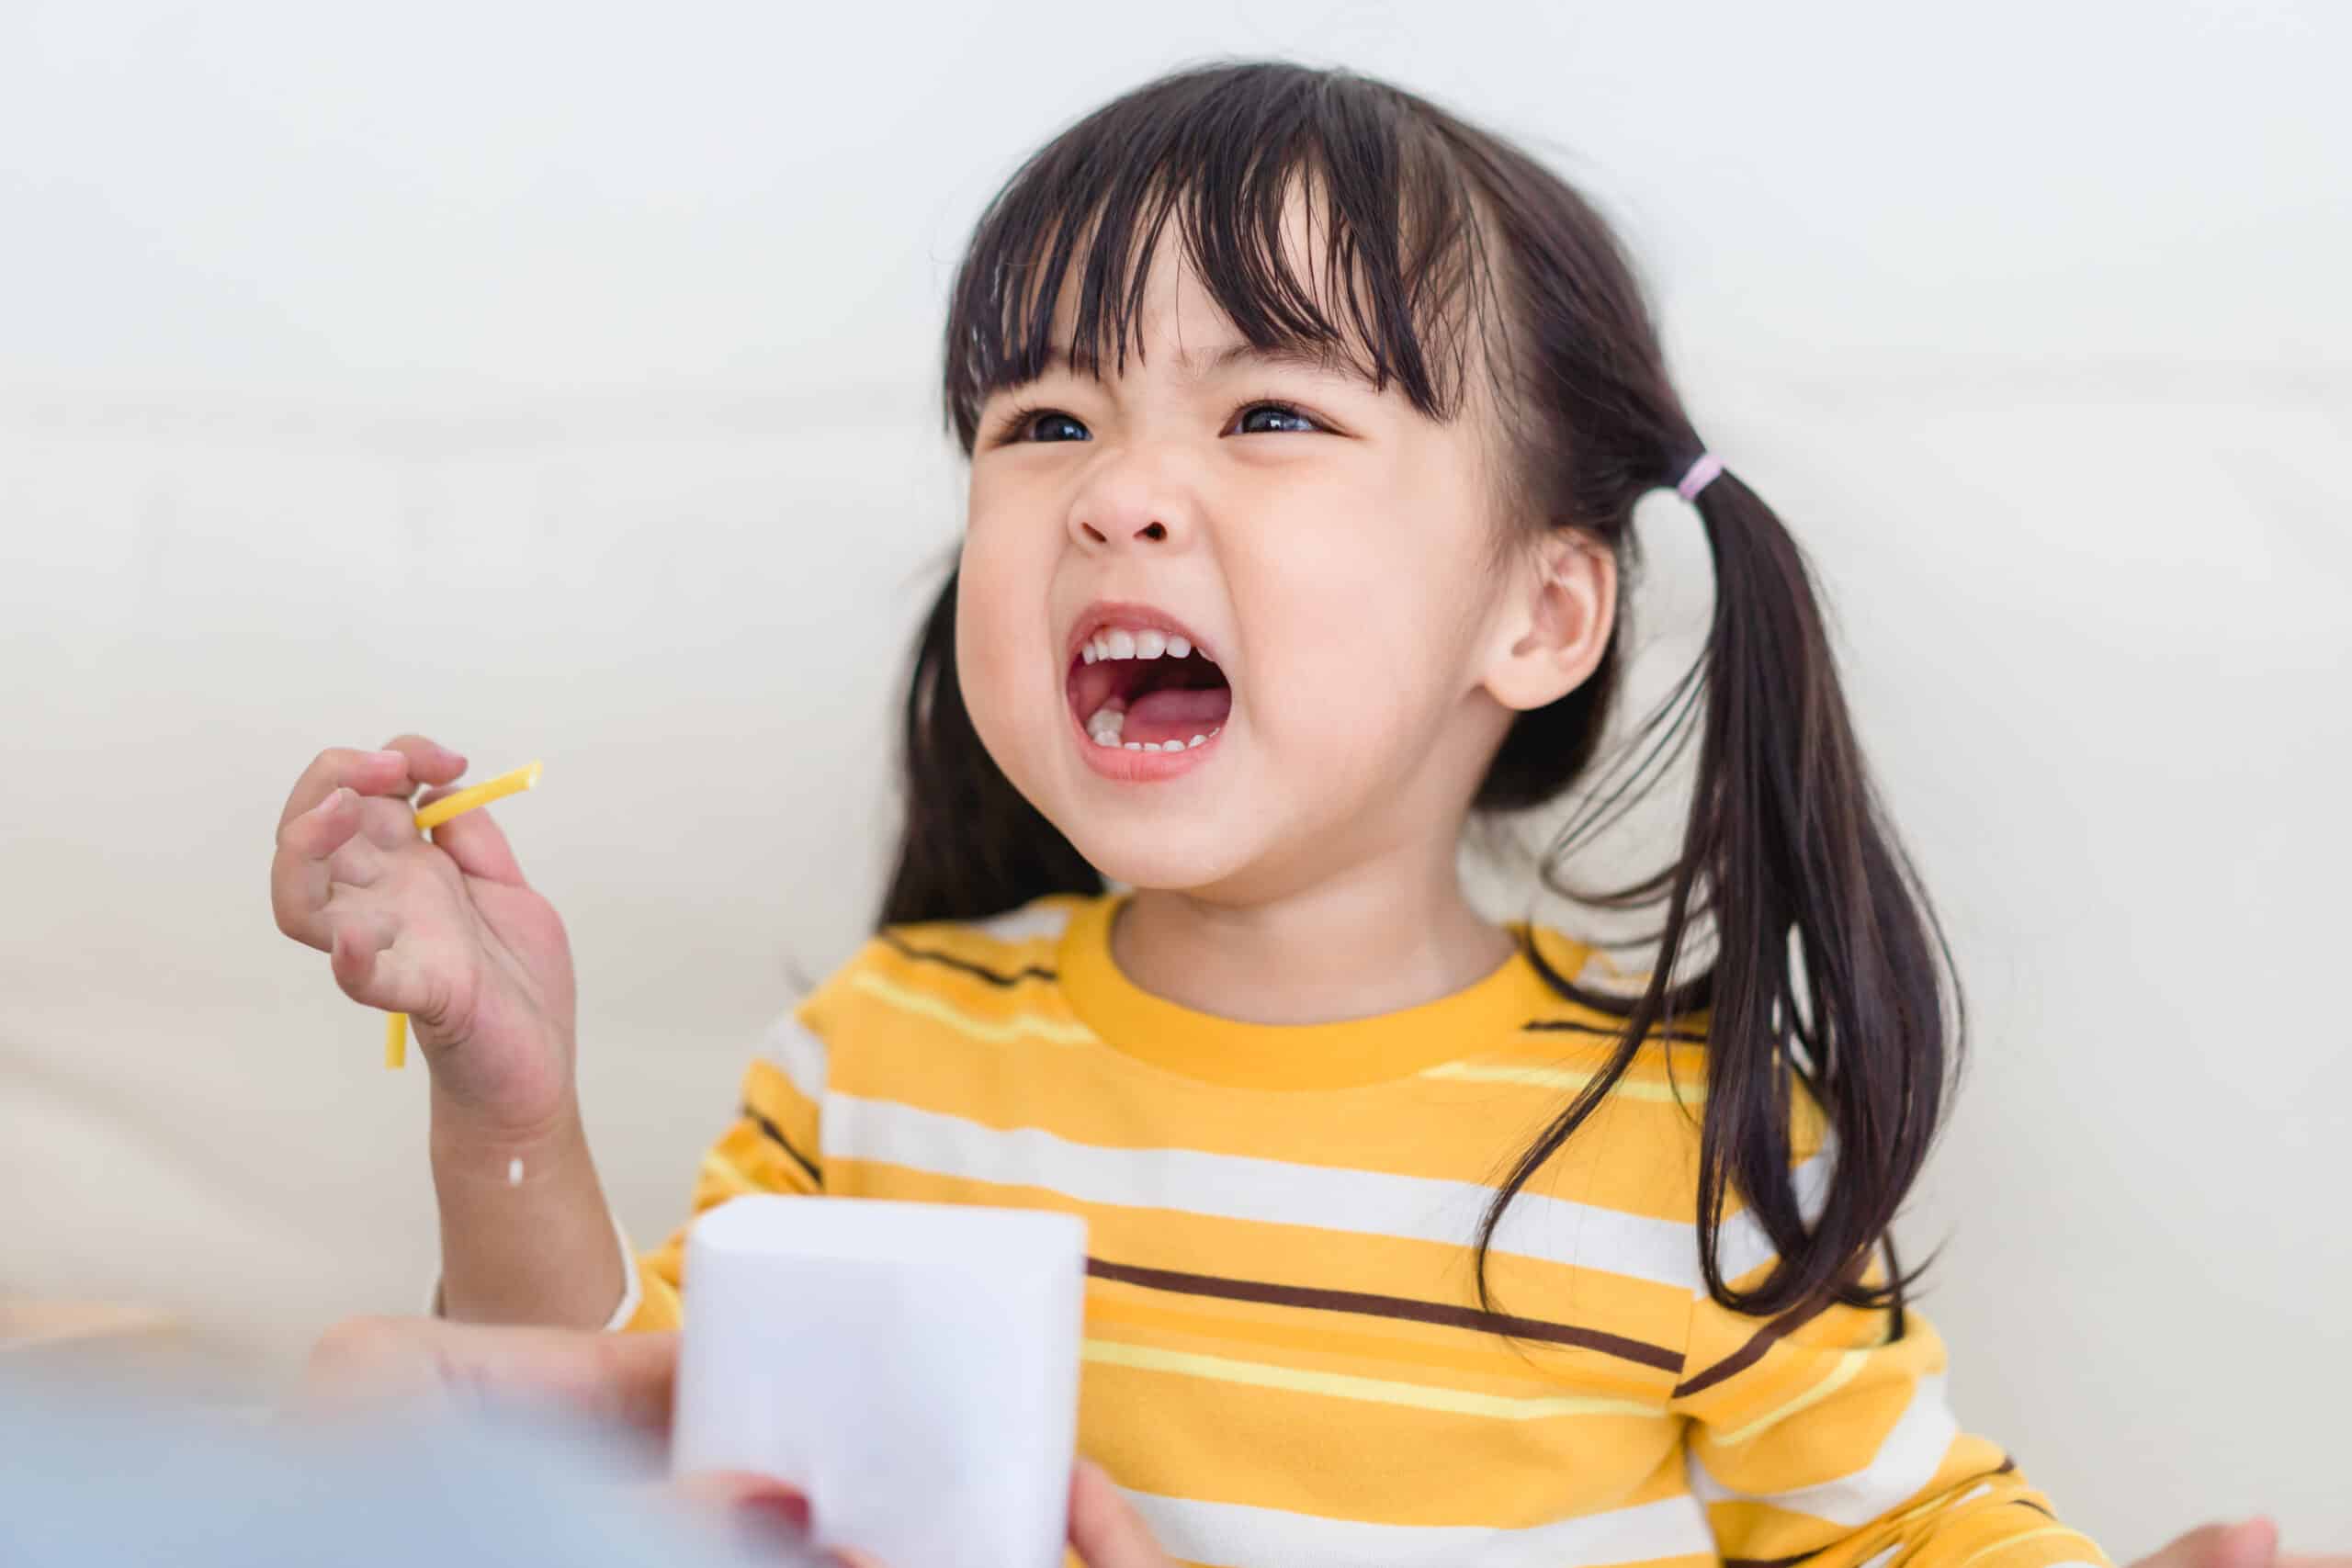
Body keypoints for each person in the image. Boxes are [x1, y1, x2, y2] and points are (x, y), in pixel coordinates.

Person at [267, 60, 2324, 1568]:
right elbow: (605, 1458)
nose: (1114, 489)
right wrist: (500, 1098)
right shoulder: (889, 1053)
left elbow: (1906, 1542)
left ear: (1535, 609)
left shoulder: (1676, 1142)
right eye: (1041, 420)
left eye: (1268, 414)